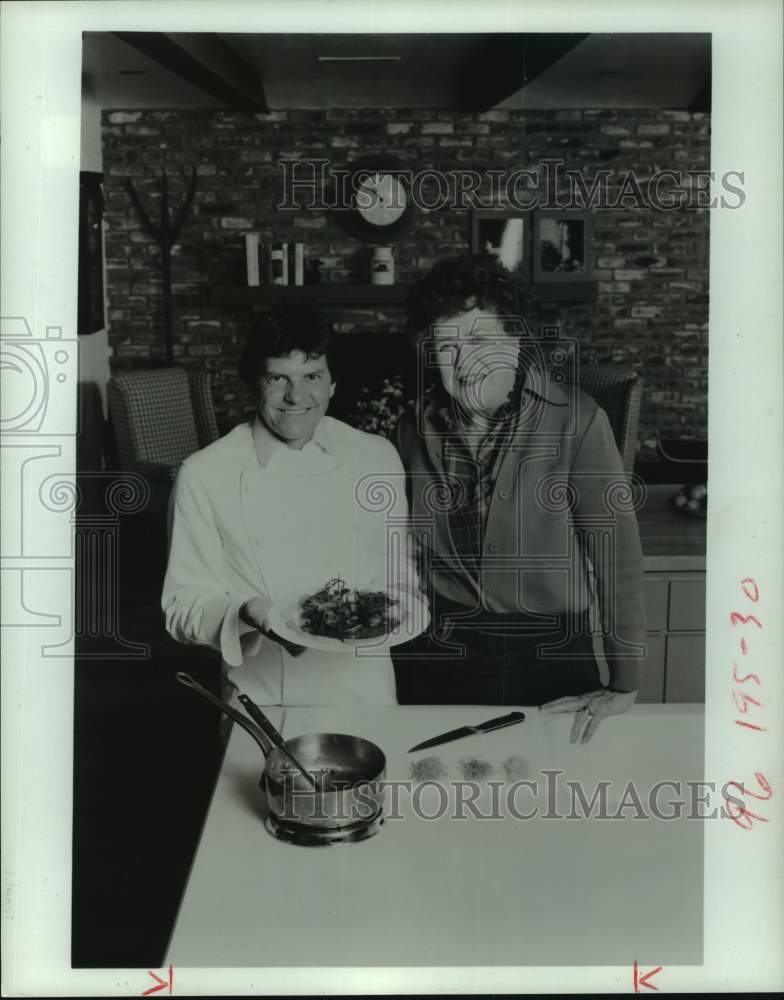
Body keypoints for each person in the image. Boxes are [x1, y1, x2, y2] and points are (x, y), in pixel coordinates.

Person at [391, 254, 646, 743]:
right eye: (447, 346)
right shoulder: (411, 428)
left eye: (482, 340)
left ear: (516, 341)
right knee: (438, 800)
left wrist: (625, 681)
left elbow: (619, 561)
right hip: (442, 657)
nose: (467, 363)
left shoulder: (579, 420)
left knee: (551, 800)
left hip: (551, 657)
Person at [162, 303, 415, 710]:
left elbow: (398, 567)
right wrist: (245, 612)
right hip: (264, 700)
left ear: (333, 383)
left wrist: (404, 602)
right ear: (254, 383)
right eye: (278, 377)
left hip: (367, 692)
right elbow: (182, 607)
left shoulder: (377, 457)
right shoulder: (205, 473)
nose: (297, 396)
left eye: (312, 376)